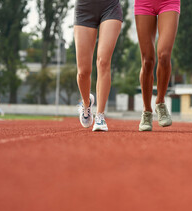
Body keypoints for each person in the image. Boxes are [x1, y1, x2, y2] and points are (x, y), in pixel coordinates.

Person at [74, 0, 123, 131]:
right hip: (85, 8)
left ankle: (100, 116)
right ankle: (86, 103)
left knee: (103, 61)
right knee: (83, 71)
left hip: (110, 6)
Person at [135, 0, 180, 131]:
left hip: (169, 2)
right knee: (147, 61)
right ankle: (147, 110)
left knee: (164, 55)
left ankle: (160, 102)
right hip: (144, 3)